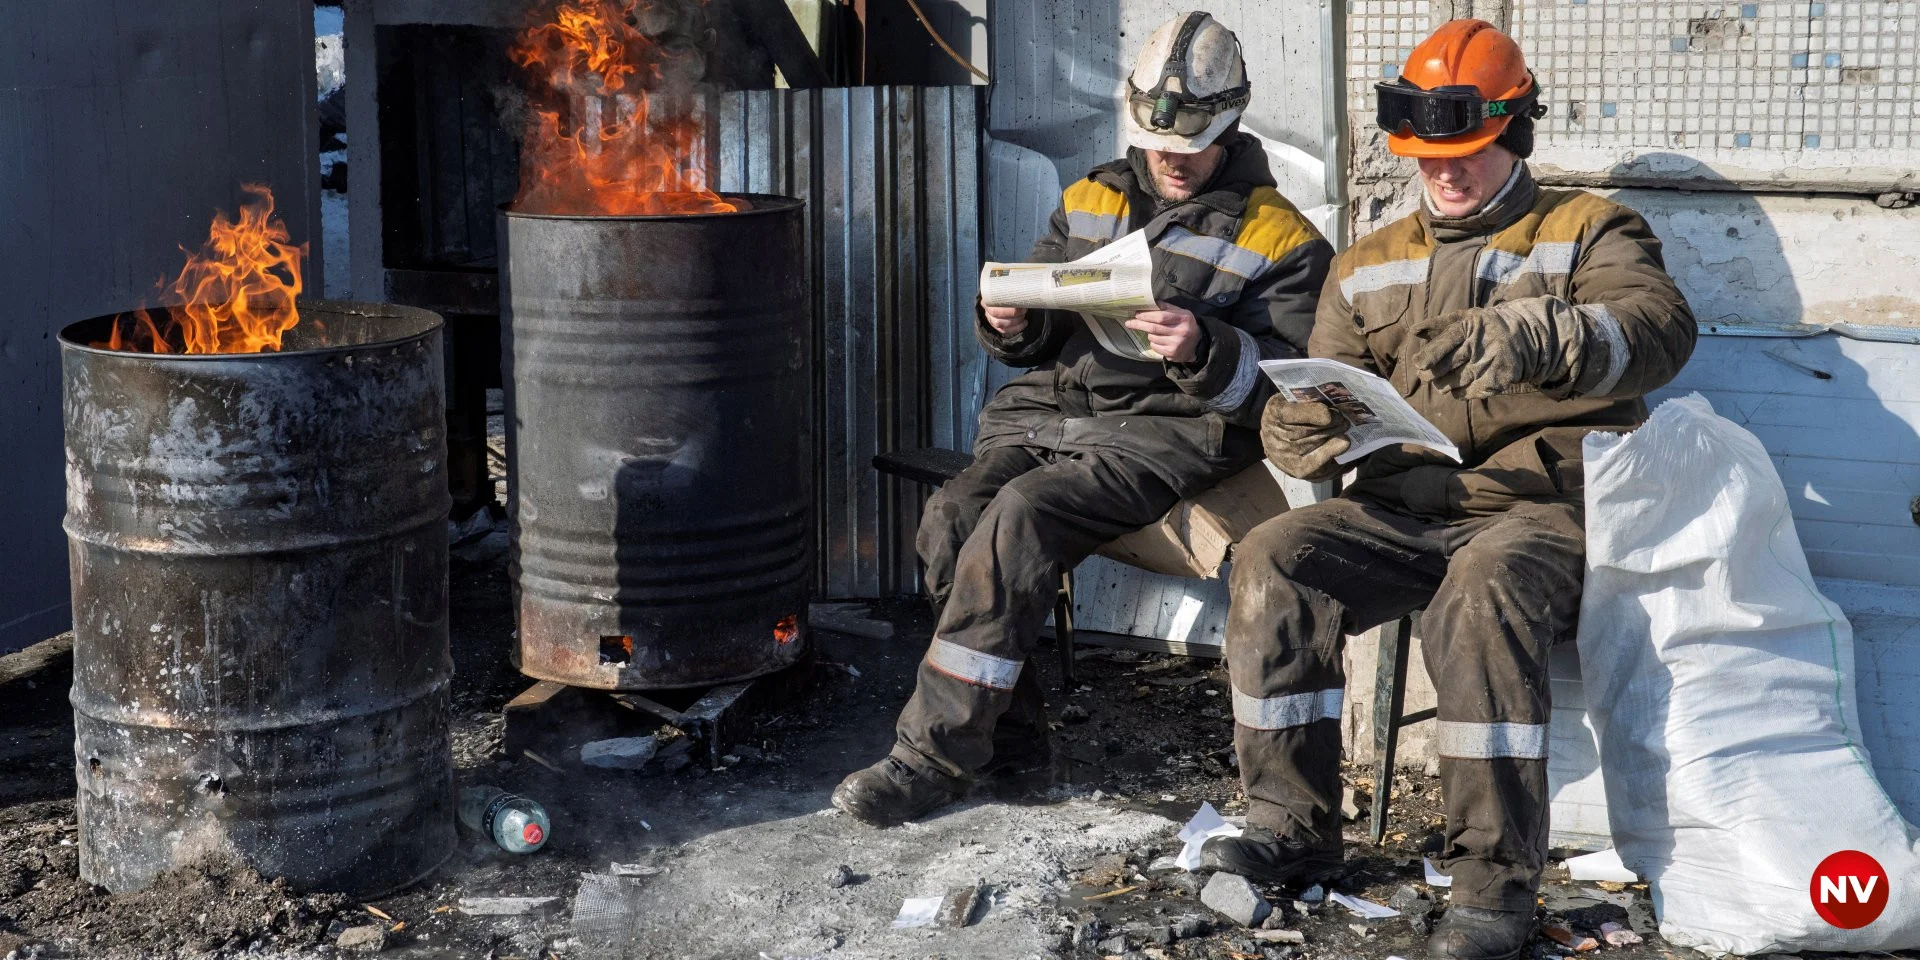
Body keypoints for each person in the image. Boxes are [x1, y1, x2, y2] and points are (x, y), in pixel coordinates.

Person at [1203, 19, 1696, 960]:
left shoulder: (1589, 229)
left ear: (1516, 135)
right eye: (1429, 156)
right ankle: (1288, 824)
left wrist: (1542, 336)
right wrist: (1296, 431)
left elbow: (1660, 329)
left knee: (1483, 587)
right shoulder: (1367, 258)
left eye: (1466, 153)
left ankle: (1489, 887)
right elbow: (1321, 392)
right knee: (1273, 556)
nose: (1445, 173)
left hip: (1537, 512)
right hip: (1401, 510)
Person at [832, 11, 1334, 827]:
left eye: (1190, 144)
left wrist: (1206, 346)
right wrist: (1010, 323)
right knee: (952, 517)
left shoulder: (1280, 237)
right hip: (1048, 418)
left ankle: (931, 757)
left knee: (1022, 516)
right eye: (1156, 140)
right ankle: (1009, 750)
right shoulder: (1093, 193)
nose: (1168, 158)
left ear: (1232, 123)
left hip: (1167, 436)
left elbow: (1288, 395)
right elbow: (1038, 327)